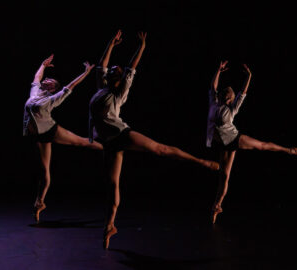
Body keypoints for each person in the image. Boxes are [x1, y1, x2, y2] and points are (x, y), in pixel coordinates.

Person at [89, 30, 220, 249]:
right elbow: (102, 63)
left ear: (118, 79)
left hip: (122, 135)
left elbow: (131, 68)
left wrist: (142, 46)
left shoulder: (118, 92)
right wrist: (111, 44)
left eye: (116, 70)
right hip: (110, 143)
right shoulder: (101, 87)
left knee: (160, 149)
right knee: (112, 185)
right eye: (112, 69)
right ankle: (110, 226)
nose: (113, 68)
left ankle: (201, 162)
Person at [206, 61, 297, 224]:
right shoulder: (214, 103)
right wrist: (218, 71)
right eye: (227, 94)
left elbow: (242, 93)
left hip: (235, 139)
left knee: (262, 145)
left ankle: (287, 150)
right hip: (223, 144)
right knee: (224, 177)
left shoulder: (232, 108)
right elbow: (213, 86)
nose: (229, 96)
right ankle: (217, 206)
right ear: (224, 95)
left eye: (230, 95)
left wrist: (249, 76)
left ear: (230, 98)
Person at [23, 54, 103, 223]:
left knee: (81, 142)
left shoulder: (53, 99)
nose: (47, 79)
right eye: (48, 78)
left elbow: (70, 86)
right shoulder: (36, 92)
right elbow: (36, 77)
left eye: (50, 80)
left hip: (51, 130)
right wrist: (43, 65)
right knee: (44, 172)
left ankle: (108, 148)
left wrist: (86, 73)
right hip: (39, 137)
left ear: (53, 88)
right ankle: (40, 202)